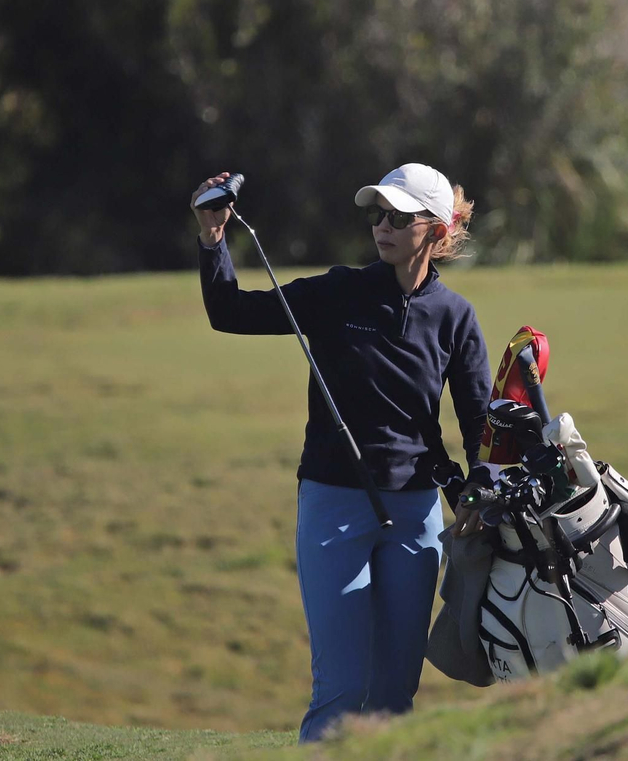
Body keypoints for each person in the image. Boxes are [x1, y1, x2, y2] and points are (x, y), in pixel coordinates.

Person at [191, 162, 492, 743]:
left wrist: (478, 486)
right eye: (378, 214)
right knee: (340, 688)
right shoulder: (338, 292)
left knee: (393, 694)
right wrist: (213, 237)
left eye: (399, 217)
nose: (382, 226)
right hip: (333, 506)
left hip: (414, 516)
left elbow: (479, 422)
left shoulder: (455, 317)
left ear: (434, 229)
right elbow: (232, 313)